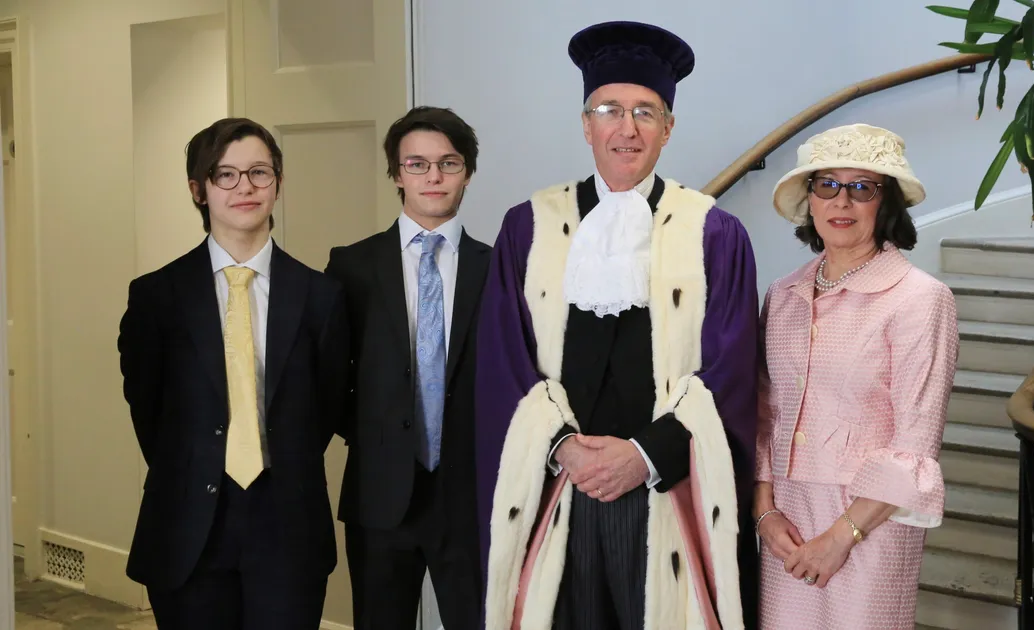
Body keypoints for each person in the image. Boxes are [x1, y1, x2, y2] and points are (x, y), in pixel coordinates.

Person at [475, 21, 759, 630]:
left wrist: (644, 456)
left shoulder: (713, 232)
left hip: (664, 492)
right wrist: (564, 449)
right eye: (610, 109)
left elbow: (731, 370)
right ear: (586, 124)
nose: (626, 129)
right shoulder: (527, 227)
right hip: (558, 491)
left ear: (668, 128)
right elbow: (503, 359)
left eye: (645, 113)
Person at [117, 118, 350, 629]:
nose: (245, 187)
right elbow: (149, 410)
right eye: (226, 175)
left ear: (278, 184)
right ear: (198, 190)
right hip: (188, 525)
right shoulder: (157, 297)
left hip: (286, 522)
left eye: (259, 173)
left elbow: (328, 406)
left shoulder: (321, 297)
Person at [754, 123, 959, 629]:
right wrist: (764, 513)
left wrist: (841, 537)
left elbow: (916, 440)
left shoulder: (921, 298)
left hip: (872, 522)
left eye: (862, 187)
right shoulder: (782, 295)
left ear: (884, 204)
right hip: (787, 520)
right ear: (810, 199)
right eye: (827, 184)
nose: (841, 201)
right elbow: (763, 413)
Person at [324, 106, 491, 630]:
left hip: (471, 494)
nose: (434, 176)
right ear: (397, 174)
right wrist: (377, 436)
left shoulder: (500, 267)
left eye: (449, 163)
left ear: (467, 171)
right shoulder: (351, 266)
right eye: (417, 164)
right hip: (380, 494)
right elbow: (330, 379)